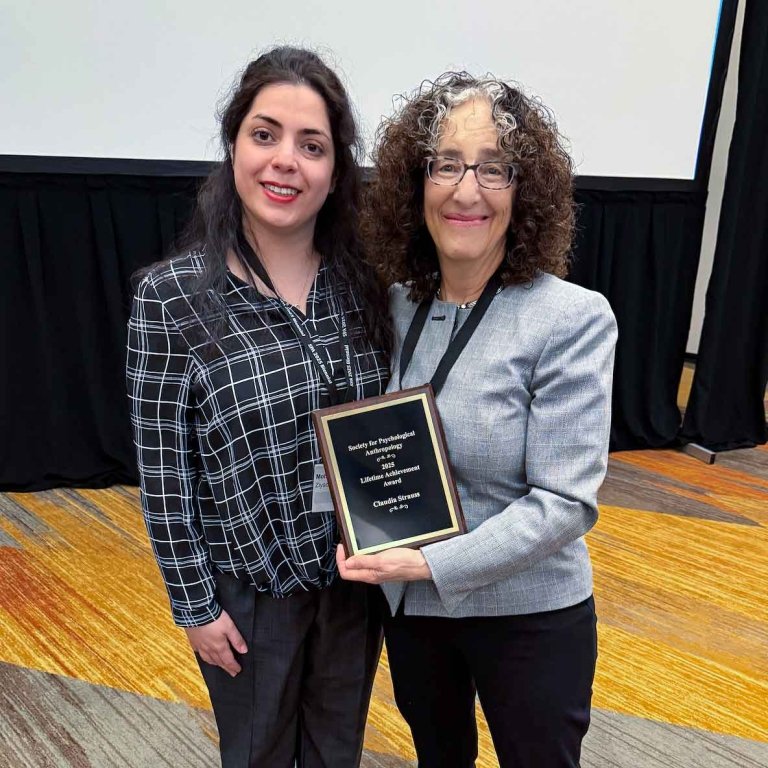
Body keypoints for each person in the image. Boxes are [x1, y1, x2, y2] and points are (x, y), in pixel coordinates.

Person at [337, 72, 617, 768]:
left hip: (528, 616)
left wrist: (428, 563)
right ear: (416, 184)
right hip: (415, 615)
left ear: (526, 193)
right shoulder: (395, 307)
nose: (467, 190)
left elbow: (563, 504)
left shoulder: (571, 318)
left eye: (495, 168)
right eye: (447, 165)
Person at [126, 47, 390, 768]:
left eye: (312, 146)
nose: (285, 162)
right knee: (258, 756)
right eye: (264, 134)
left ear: (336, 171)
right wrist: (194, 608)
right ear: (233, 144)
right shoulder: (173, 298)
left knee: (338, 754)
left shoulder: (365, 286)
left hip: (352, 584)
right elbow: (164, 472)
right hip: (247, 597)